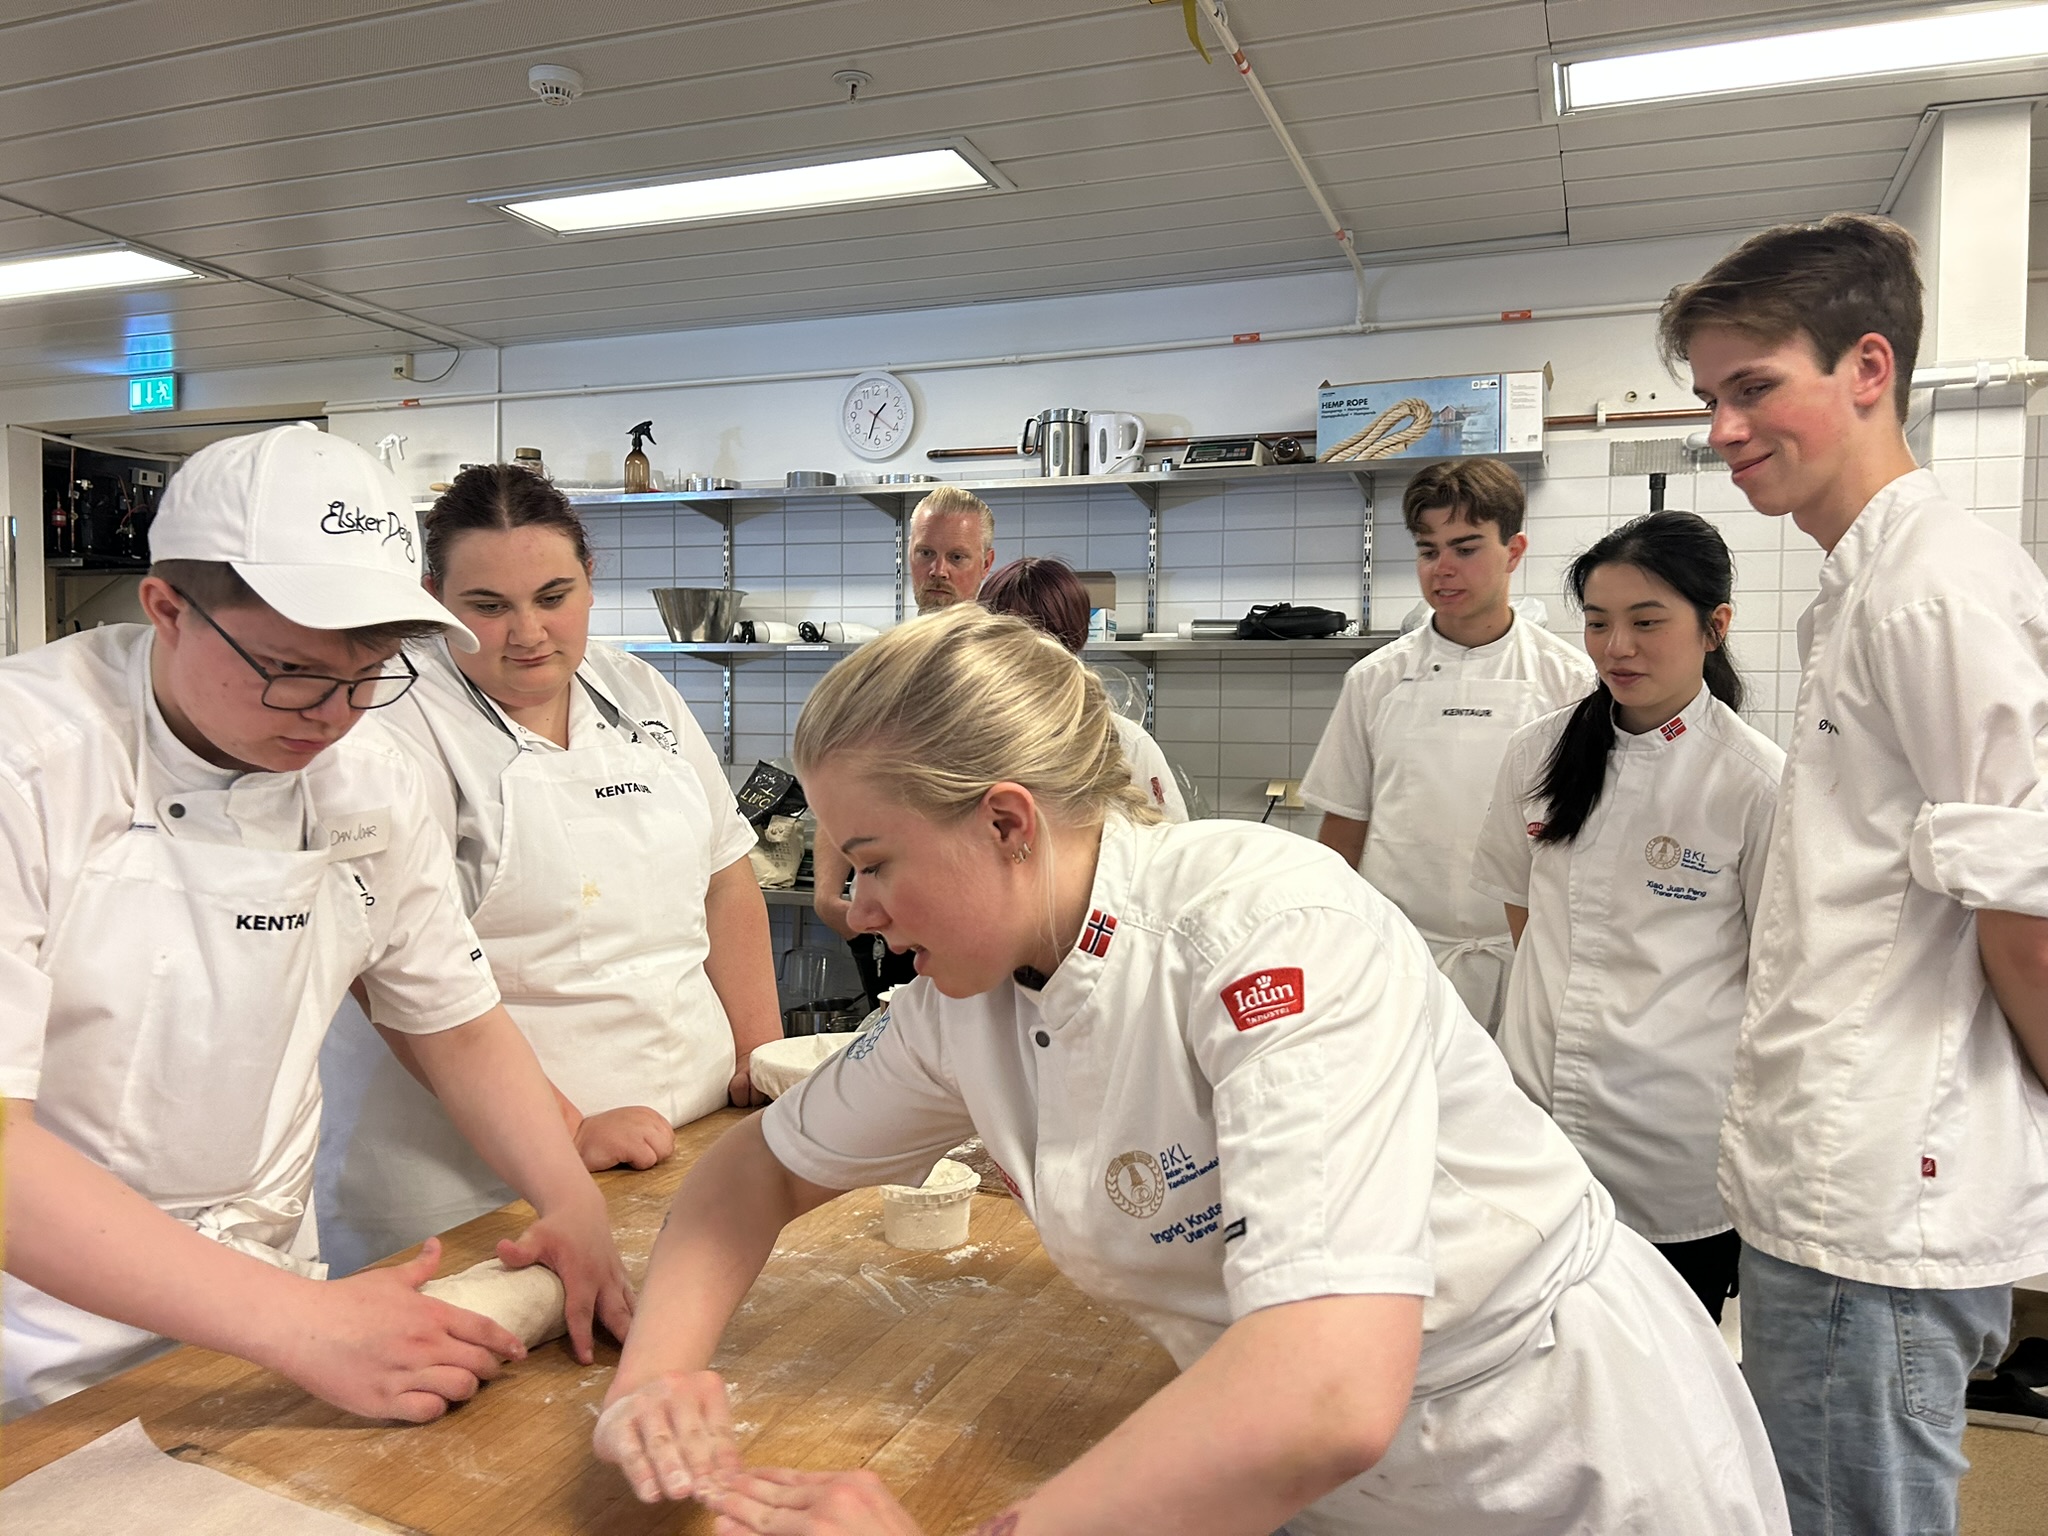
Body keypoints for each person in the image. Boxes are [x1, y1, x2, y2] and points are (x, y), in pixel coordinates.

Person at [588, 605, 1788, 1536]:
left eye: (871, 862)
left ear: (1006, 824)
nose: (850, 909)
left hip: (1548, 1452)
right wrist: (652, 1383)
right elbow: (752, 1175)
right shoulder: (965, 1001)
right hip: (1298, 1475)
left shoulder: (1263, 933)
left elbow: (1326, 1389)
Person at [0, 424, 631, 1422]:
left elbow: (455, 1021)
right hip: (41, 1336)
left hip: (273, 1313)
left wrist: (570, 1200)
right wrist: (297, 1324)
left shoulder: (365, 777)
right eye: (290, 670)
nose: (333, 715)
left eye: (368, 672)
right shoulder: (28, 765)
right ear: (166, 609)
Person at [1664, 213, 2048, 1535]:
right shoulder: (1861, 585)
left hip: (1877, 1194)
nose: (1723, 428)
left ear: (1868, 368)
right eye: (1709, 397)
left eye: (1752, 386)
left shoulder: (1931, 591)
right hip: (1834, 1180)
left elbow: (2022, 913)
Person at [315, 465, 783, 1277]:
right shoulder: (385, 722)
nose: (527, 632)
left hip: (691, 1138)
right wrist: (566, 1131)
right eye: (488, 607)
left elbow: (725, 876)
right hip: (475, 1185)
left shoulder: (636, 688)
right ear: (433, 598)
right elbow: (397, 973)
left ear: (591, 581)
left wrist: (762, 1054)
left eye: (553, 596)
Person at [1470, 512, 1783, 1322]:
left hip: (1674, 1143)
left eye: (1647, 622)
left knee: (1668, 1356)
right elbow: (1522, 910)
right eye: (1598, 622)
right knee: (1538, 1348)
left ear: (1714, 627)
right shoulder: (1537, 753)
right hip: (1536, 1122)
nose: (1617, 648)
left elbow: (1774, 971)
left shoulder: (1756, 783)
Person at [1300, 460, 1593, 1032]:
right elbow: (1344, 826)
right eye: (1428, 550)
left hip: (1523, 955)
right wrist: (1329, 941)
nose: (1443, 569)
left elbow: (1584, 839)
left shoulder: (1571, 682)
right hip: (1398, 955)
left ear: (1514, 551)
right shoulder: (1375, 679)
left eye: (1465, 548)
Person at [817, 484, 997, 1005]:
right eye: (926, 553)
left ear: (985, 563)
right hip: (890, 914)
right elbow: (838, 779)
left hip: (976, 913)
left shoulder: (1003, 669)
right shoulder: (877, 669)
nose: (938, 571)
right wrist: (828, 895)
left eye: (957, 557)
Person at [979, 555, 1188, 822]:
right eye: (1009, 637)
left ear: (1073, 638)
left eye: (1044, 634)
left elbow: (1172, 838)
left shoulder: (1126, 743)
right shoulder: (964, 739)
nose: (1030, 653)